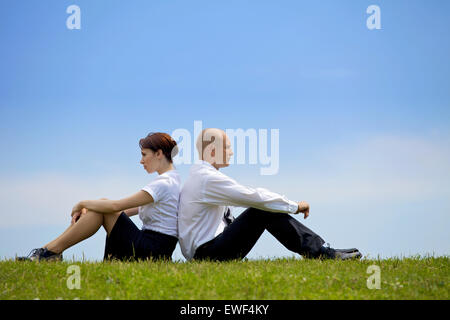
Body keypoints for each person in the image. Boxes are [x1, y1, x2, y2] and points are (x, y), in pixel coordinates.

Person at [178, 128, 362, 262]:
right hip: (208, 255)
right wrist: (294, 206)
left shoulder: (202, 177)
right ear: (212, 152)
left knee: (261, 210)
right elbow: (253, 197)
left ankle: (320, 251)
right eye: (227, 147)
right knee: (261, 210)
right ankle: (321, 253)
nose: (232, 152)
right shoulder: (207, 179)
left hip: (206, 253)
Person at [18, 132, 181, 262]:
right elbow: (123, 210)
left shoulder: (164, 183)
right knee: (101, 205)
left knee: (103, 204)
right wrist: (89, 209)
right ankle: (48, 251)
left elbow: (115, 207)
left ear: (159, 153)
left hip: (151, 250)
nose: (141, 160)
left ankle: (49, 253)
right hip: (153, 248)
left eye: (144, 154)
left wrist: (81, 203)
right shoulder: (171, 181)